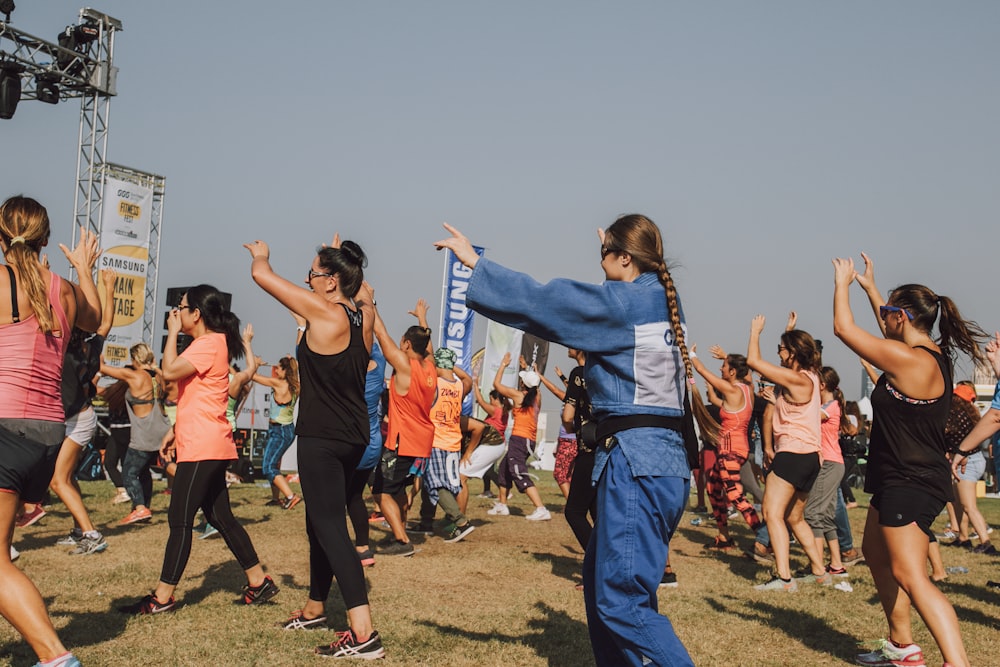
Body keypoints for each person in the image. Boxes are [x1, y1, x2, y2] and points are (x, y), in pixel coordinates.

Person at [436, 215, 695, 666]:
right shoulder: (661, 300)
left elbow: (547, 303)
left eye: (605, 255)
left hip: (637, 464)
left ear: (626, 258)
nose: (600, 262)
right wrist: (611, 262)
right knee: (607, 586)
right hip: (662, 465)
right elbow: (611, 305)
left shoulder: (624, 305)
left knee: (621, 602)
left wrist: (477, 265)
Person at [833, 252, 984, 667]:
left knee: (911, 574)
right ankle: (902, 645)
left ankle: (957, 662)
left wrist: (842, 284)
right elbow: (892, 333)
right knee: (876, 554)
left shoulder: (911, 361)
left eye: (886, 312)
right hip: (894, 475)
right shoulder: (923, 351)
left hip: (911, 481)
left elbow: (843, 328)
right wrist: (871, 291)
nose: (882, 318)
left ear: (900, 317)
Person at [246, 239, 383, 659]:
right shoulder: (363, 315)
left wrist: (261, 256)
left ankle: (363, 634)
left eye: (313, 273)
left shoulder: (324, 311)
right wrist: (344, 262)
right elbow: (361, 292)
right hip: (354, 434)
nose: (308, 279)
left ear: (331, 281)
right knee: (318, 523)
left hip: (323, 437)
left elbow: (261, 277)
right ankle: (315, 607)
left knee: (329, 528)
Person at [119, 285, 279, 617]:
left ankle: (162, 598)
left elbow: (170, 372)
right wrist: (175, 432)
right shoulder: (209, 343)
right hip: (203, 440)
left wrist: (171, 332)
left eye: (181, 309)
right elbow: (196, 397)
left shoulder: (207, 344)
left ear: (197, 314)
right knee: (220, 516)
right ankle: (258, 580)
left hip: (204, 445)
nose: (176, 313)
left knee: (179, 520)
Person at [0, 195, 102, 667]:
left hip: (6, 428)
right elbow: (95, 318)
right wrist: (82, 267)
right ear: (44, 237)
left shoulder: (2, 281)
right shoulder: (61, 288)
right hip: (44, 432)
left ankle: (55, 657)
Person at [746, 317, 829, 591]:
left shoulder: (796, 379)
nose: (778, 352)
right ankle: (819, 571)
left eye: (781, 348)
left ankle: (784, 579)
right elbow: (786, 366)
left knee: (772, 513)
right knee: (794, 517)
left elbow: (754, 362)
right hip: (810, 456)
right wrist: (790, 332)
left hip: (793, 453)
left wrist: (755, 333)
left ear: (792, 353)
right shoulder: (812, 377)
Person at [50, 267, 117, 555]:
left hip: (77, 418)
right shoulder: (88, 346)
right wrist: (109, 291)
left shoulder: (62, 348)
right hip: (79, 416)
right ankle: (80, 529)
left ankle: (92, 534)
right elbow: (105, 326)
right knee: (67, 476)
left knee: (57, 480)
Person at [370, 298, 436, 557]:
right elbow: (427, 346)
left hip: (401, 440)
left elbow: (379, 332)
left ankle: (401, 540)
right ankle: (402, 531)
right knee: (398, 489)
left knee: (381, 491)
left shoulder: (405, 365)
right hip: (420, 442)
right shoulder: (429, 367)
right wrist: (422, 320)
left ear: (407, 344)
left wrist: (371, 302)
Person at [691, 348, 761, 549]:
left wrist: (692, 355)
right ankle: (724, 537)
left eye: (724, 366)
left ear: (732, 372)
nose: (721, 368)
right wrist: (727, 358)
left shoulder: (733, 390)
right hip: (736, 450)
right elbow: (715, 401)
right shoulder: (748, 390)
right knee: (713, 488)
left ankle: (764, 536)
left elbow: (703, 370)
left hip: (730, 452)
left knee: (735, 496)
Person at [99, 343, 172, 526]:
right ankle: (144, 507)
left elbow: (101, 368)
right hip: (162, 429)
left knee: (129, 473)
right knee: (145, 471)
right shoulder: (160, 376)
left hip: (144, 431)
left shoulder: (133, 375)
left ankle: (140, 508)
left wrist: (97, 353)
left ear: (135, 359)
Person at [487, 352, 551, 521]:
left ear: (524, 383)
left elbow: (497, 385)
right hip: (528, 440)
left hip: (519, 440)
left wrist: (503, 365)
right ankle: (502, 505)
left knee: (519, 473)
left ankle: (541, 508)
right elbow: (532, 385)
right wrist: (526, 369)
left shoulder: (519, 396)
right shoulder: (536, 396)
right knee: (504, 470)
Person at [802, 366, 850, 576]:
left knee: (813, 513)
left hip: (829, 463)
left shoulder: (831, 407)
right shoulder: (829, 404)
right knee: (826, 516)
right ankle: (836, 565)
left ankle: (817, 566)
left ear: (821, 385)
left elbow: (808, 415)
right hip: (832, 463)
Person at [948, 382, 995, 554]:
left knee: (968, 506)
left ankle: (986, 542)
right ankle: (963, 538)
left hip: (967, 462)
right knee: (959, 503)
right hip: (971, 460)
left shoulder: (955, 416)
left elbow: (950, 436)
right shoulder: (971, 414)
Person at [253, 355, 301, 509]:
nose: (275, 370)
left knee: (268, 467)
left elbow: (252, 377)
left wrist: (256, 364)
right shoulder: (296, 385)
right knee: (275, 464)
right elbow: (296, 368)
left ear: (285, 370)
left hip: (280, 430)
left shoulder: (278, 384)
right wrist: (292, 362)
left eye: (279, 368)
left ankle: (291, 496)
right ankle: (276, 498)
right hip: (284, 430)